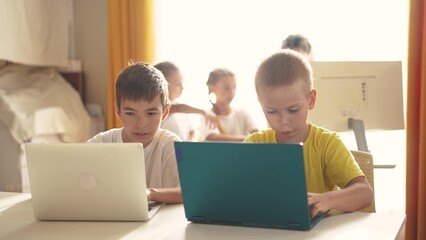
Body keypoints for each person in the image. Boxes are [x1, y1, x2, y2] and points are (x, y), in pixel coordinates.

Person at [244, 49, 374, 218]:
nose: (283, 121)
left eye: (293, 110)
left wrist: (327, 199)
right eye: (271, 112)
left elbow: (365, 194)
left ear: (311, 100)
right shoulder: (254, 145)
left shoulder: (327, 143)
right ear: (261, 103)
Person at [87, 61, 182, 204]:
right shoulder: (101, 143)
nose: (141, 124)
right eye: (131, 113)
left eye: (150, 113)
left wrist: (151, 193)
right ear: (118, 111)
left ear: (165, 112)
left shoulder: (170, 145)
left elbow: (188, 192)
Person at [154, 61, 217, 141]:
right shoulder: (160, 105)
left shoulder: (182, 113)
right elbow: (180, 108)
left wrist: (189, 142)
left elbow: (192, 132)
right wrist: (202, 111)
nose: (182, 87)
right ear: (163, 84)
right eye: (178, 84)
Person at [200, 68, 258, 142]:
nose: (232, 92)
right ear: (212, 88)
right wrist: (245, 139)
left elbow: (256, 134)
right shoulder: (208, 115)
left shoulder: (242, 113)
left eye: (234, 87)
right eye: (226, 88)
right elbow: (211, 137)